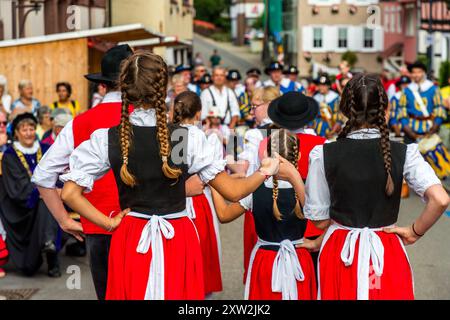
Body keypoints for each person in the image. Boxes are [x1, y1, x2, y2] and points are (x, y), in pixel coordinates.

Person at [58, 51, 282, 300]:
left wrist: (107, 223)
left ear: (125, 88)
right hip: (177, 236)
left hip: (132, 235)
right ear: (163, 89)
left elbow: (69, 193)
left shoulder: (110, 137)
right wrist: (265, 170)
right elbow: (233, 191)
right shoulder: (182, 137)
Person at [305, 73, 450, 300]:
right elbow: (440, 199)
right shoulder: (405, 152)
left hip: (341, 249)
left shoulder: (323, 153)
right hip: (384, 247)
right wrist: (414, 232)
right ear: (385, 110)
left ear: (344, 109)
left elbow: (319, 220)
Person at [32, 45, 134, 300]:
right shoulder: (151, 119)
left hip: (98, 225)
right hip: (143, 225)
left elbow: (43, 174)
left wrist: (64, 220)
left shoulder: (80, 122)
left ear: (103, 85)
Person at [212, 129, 317, 300]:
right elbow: (324, 221)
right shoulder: (307, 188)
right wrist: (315, 243)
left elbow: (224, 215)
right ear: (298, 157)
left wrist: (213, 183)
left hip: (265, 261)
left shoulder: (254, 190)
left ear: (265, 155)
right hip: (300, 259)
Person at [172, 91, 223, 297]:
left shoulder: (170, 133)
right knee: (201, 250)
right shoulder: (197, 135)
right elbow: (205, 169)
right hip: (196, 199)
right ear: (198, 113)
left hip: (173, 197)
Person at [0, 113, 60, 277]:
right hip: (20, 205)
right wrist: (42, 191)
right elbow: (16, 187)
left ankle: (50, 249)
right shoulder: (10, 156)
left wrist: (46, 191)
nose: (28, 132)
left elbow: (57, 173)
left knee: (47, 201)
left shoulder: (46, 150)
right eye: (24, 129)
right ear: (17, 133)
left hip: (47, 199)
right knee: (46, 200)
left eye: (31, 128)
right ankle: (47, 246)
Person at [398, 61, 450, 180]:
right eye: (414, 73)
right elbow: (402, 111)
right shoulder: (407, 91)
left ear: (424, 73)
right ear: (410, 74)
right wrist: (407, 129)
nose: (416, 75)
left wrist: (435, 126)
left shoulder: (433, 89)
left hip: (430, 128)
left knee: (434, 160)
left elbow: (439, 108)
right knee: (413, 161)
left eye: (419, 72)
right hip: (411, 130)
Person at [311, 74, 343, 139]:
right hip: (316, 130)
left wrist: (333, 131)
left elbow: (338, 117)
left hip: (330, 129)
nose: (321, 87)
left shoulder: (335, 98)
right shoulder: (315, 98)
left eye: (323, 85)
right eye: (319, 85)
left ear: (328, 86)